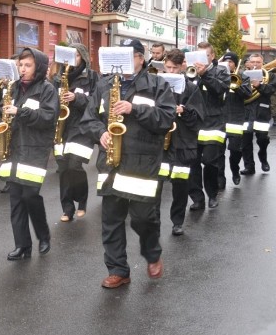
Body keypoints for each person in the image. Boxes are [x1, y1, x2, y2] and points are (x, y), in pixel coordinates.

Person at [81, 39, 176, 288]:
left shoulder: (157, 84)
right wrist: (99, 132)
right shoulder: (104, 85)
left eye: (128, 56)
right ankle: (118, 270)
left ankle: (152, 253)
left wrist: (134, 109)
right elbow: (88, 119)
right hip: (112, 163)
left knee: (142, 218)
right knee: (111, 220)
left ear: (140, 59)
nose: (121, 62)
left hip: (142, 163)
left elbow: (165, 119)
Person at [0, 48, 58, 260]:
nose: (22, 69)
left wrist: (19, 112)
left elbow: (47, 117)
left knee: (30, 195)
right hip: (14, 148)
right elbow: (4, 111)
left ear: (39, 67)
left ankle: (43, 235)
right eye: (20, 65)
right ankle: (22, 245)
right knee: (15, 198)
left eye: (27, 65)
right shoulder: (13, 88)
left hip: (35, 149)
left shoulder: (47, 90)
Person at [157, 49, 204, 236]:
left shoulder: (191, 88)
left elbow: (198, 119)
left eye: (174, 68)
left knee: (180, 185)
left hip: (183, 143)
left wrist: (183, 110)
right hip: (160, 143)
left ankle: (177, 221)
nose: (170, 71)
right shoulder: (157, 85)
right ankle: (153, 221)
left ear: (183, 66)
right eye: (167, 67)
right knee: (156, 184)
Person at [52, 43, 98, 222]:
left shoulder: (92, 77)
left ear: (83, 58)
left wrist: (76, 97)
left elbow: (96, 101)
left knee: (75, 166)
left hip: (82, 128)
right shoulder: (57, 78)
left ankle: (82, 199)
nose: (74, 59)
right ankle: (67, 208)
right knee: (63, 168)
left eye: (77, 55)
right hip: (62, 127)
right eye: (71, 55)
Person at [188, 41, 230, 211]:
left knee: (210, 161)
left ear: (212, 56)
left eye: (204, 55)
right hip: (193, 122)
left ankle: (212, 194)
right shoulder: (190, 72)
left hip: (214, 122)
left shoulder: (221, 71)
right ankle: (197, 198)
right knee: (193, 163)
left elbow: (220, 89)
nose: (200, 60)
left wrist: (204, 74)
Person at [218, 51, 252, 189]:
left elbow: (247, 94)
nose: (228, 64)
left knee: (235, 150)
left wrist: (237, 86)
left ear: (235, 63)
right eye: (225, 62)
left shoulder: (243, 76)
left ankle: (235, 170)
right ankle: (220, 178)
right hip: (220, 118)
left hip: (236, 119)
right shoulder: (218, 75)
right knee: (218, 152)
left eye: (230, 62)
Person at [241, 53, 276, 175]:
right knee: (245, 141)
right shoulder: (242, 75)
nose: (255, 64)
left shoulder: (270, 75)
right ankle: (249, 166)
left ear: (262, 63)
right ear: (249, 63)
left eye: (258, 62)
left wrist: (259, 85)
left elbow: (272, 90)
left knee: (263, 140)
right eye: (253, 62)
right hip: (246, 112)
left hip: (262, 112)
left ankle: (263, 158)